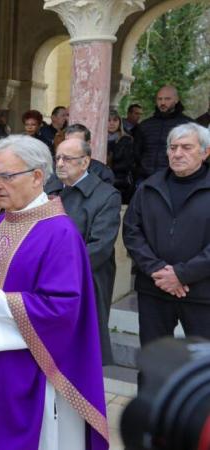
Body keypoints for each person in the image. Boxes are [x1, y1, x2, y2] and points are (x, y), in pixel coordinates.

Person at [0, 135, 108, 449]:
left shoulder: (60, 233)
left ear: (36, 176)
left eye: (6, 176)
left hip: (22, 369)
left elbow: (62, 309)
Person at [123, 123, 210, 346]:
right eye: (173, 147)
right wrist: (157, 270)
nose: (178, 153)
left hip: (202, 292)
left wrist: (181, 274)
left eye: (186, 147)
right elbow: (132, 231)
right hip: (154, 289)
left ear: (205, 151)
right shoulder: (149, 187)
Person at [46, 138, 122, 366]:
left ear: (85, 162)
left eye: (67, 158)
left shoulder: (106, 195)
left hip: (84, 280)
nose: (60, 163)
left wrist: (61, 271)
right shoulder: (50, 187)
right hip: (47, 280)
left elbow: (100, 247)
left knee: (81, 353)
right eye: (57, 157)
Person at [133, 85, 194, 182]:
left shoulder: (188, 126)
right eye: (159, 99)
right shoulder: (145, 125)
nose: (163, 102)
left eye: (167, 99)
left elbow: (194, 155)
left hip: (175, 180)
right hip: (145, 179)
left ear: (176, 100)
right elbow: (136, 153)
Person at [107, 110, 135, 203]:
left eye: (115, 120)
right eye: (108, 120)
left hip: (120, 183)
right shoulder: (98, 139)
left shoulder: (126, 140)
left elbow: (127, 164)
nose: (112, 123)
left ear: (120, 122)